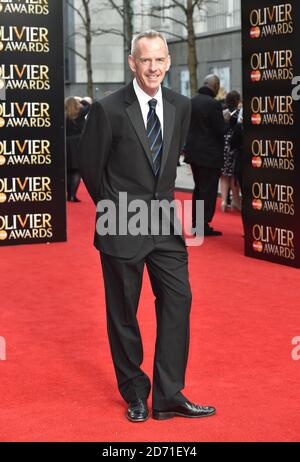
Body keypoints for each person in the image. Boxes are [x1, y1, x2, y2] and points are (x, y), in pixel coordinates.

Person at [79, 31, 216, 422]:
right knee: (124, 311)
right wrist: (116, 212)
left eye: (159, 60)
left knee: (179, 300)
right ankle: (136, 393)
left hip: (165, 224)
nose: (153, 67)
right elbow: (90, 167)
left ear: (168, 62)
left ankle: (170, 394)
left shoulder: (181, 105)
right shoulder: (107, 109)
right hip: (121, 222)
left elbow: (168, 162)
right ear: (132, 63)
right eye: (145, 60)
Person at [184, 75, 225, 236]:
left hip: (194, 154)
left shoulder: (191, 101)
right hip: (209, 155)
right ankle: (203, 225)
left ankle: (196, 222)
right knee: (208, 190)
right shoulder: (213, 104)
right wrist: (226, 120)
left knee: (199, 189)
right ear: (214, 86)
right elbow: (219, 130)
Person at [65, 96, 91, 202]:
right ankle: (72, 195)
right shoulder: (80, 114)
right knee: (77, 170)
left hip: (66, 143)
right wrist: (80, 100)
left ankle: (68, 195)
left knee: (67, 170)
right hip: (78, 143)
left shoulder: (63, 115)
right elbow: (89, 105)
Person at [220, 90, 241, 212]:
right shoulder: (238, 113)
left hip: (223, 145)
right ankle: (235, 201)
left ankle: (223, 201)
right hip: (233, 145)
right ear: (237, 100)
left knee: (223, 175)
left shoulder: (222, 113)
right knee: (234, 175)